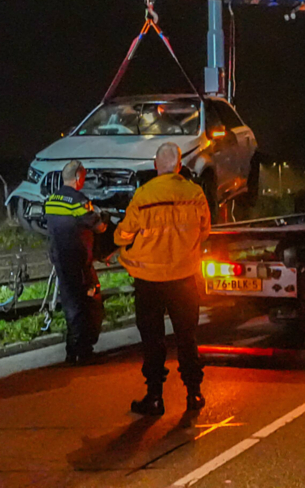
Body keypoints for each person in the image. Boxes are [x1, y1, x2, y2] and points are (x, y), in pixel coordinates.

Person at [115, 143, 211, 416]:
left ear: (157, 166)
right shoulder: (195, 193)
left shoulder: (143, 195)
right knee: (187, 337)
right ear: (179, 166)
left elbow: (123, 235)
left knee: (153, 340)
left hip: (149, 281)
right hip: (183, 279)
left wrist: (118, 240)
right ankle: (194, 394)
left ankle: (155, 397)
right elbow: (205, 231)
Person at [44, 160, 107, 365]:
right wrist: (103, 218)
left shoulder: (51, 200)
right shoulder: (78, 201)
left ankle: (72, 351)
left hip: (61, 261)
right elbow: (98, 226)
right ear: (79, 178)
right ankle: (84, 350)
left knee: (71, 303)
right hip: (80, 263)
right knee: (90, 302)